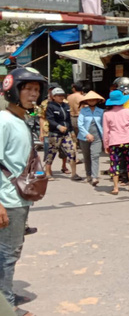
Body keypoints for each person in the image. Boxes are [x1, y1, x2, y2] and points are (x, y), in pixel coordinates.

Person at [0, 67, 46, 313]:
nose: (33, 94)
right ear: (13, 91)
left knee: (11, 251)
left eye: (37, 90)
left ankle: (6, 296)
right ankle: (5, 306)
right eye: (27, 89)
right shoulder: (3, 121)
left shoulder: (21, 120)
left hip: (19, 197)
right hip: (7, 199)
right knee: (7, 254)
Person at [103, 90, 129, 195]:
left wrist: (106, 145)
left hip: (114, 141)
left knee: (115, 163)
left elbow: (106, 131)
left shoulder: (107, 114)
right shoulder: (128, 111)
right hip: (128, 140)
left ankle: (116, 187)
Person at [45, 87, 79, 180]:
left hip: (66, 133)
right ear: (54, 97)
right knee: (52, 152)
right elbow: (50, 119)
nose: (61, 97)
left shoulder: (66, 106)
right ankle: (47, 172)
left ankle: (74, 174)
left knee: (72, 152)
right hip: (55, 134)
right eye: (58, 96)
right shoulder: (50, 106)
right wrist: (58, 127)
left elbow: (68, 120)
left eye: (62, 95)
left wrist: (72, 131)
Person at [77, 91, 105, 187]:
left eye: (93, 99)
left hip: (97, 137)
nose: (92, 101)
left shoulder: (101, 111)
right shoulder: (83, 111)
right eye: (90, 100)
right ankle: (88, 175)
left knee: (95, 156)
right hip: (84, 137)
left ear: (97, 100)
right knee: (87, 157)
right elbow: (80, 124)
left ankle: (94, 176)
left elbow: (103, 125)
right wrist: (87, 134)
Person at [67, 81, 85, 148]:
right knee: (82, 134)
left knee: (73, 136)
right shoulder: (82, 97)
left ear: (74, 89)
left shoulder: (69, 97)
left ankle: (75, 148)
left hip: (71, 117)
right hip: (80, 116)